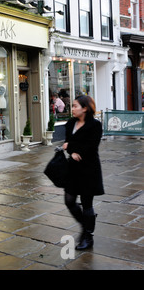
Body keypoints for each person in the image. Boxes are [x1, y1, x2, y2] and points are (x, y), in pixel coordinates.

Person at [62, 95, 104, 250]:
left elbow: (91, 146)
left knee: (87, 204)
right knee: (69, 201)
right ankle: (86, 225)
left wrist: (72, 147)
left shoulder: (95, 125)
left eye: (75, 106)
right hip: (73, 168)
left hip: (89, 169)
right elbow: (66, 144)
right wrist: (73, 150)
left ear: (85, 108)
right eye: (72, 106)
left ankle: (87, 235)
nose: (72, 109)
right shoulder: (70, 123)